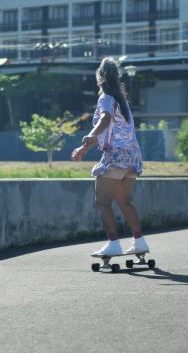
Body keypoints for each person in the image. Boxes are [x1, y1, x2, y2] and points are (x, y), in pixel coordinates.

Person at [71, 57, 149, 256]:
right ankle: (139, 242)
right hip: (132, 157)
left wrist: (90, 134)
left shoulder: (106, 98)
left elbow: (104, 120)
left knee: (102, 202)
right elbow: (108, 131)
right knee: (125, 202)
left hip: (116, 157)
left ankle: (113, 243)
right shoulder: (122, 101)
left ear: (100, 76)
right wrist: (84, 148)